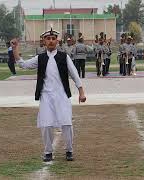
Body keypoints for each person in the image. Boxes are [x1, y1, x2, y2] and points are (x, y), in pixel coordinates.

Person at [11, 27, 87, 162]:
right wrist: (15, 49)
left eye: (53, 39)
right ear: (44, 41)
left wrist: (81, 92)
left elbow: (75, 74)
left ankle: (69, 150)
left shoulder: (64, 57)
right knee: (46, 125)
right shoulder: (40, 58)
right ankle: (48, 152)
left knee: (67, 124)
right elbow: (23, 65)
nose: (51, 41)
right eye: (48, 39)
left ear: (57, 41)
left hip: (62, 95)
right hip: (46, 96)